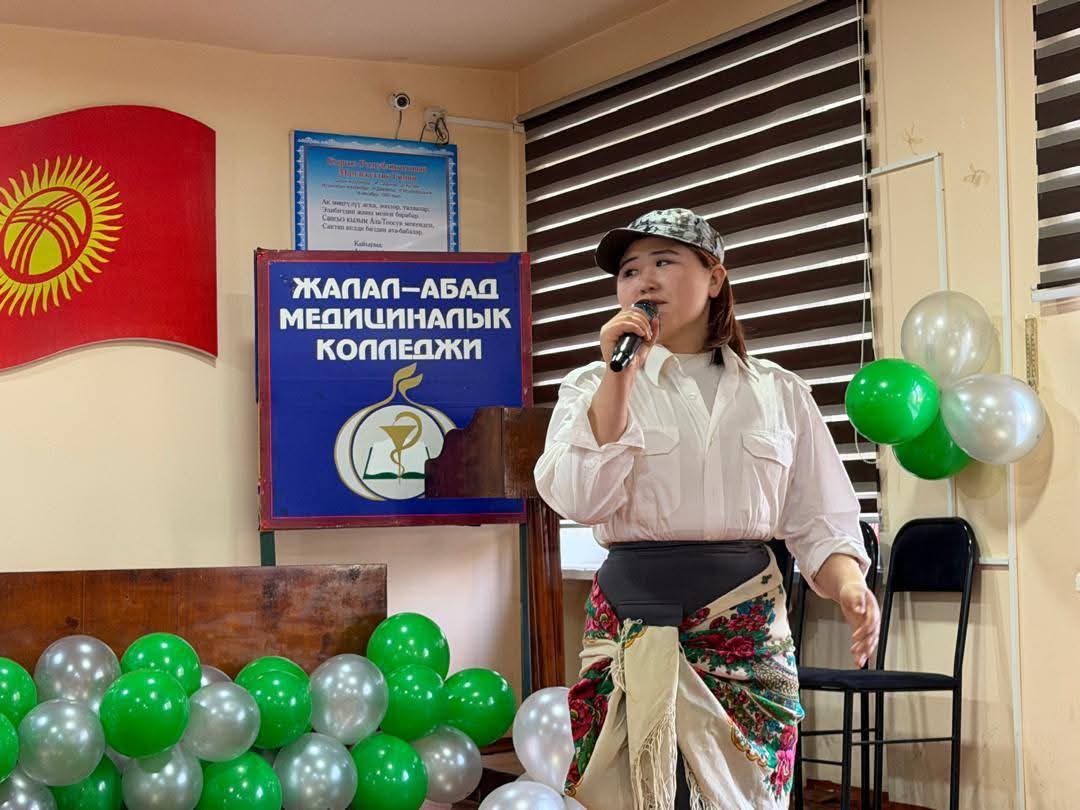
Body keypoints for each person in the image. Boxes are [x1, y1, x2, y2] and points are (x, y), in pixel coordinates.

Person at [534, 209, 880, 810]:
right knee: (634, 793)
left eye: (664, 262)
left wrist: (849, 585)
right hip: (631, 619)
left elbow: (820, 517)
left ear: (715, 278)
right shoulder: (590, 385)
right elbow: (578, 498)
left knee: (750, 795)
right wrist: (620, 379)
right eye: (629, 271)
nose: (643, 280)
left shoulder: (778, 391)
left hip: (746, 625)